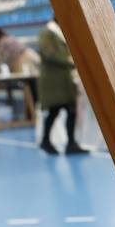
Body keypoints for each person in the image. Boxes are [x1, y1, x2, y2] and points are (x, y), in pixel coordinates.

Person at [37, 20, 87, 154]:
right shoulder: (47, 33)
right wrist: (70, 60)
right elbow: (49, 54)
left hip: (63, 80)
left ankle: (69, 142)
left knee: (69, 110)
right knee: (55, 111)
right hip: (53, 81)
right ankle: (48, 141)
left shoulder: (58, 33)